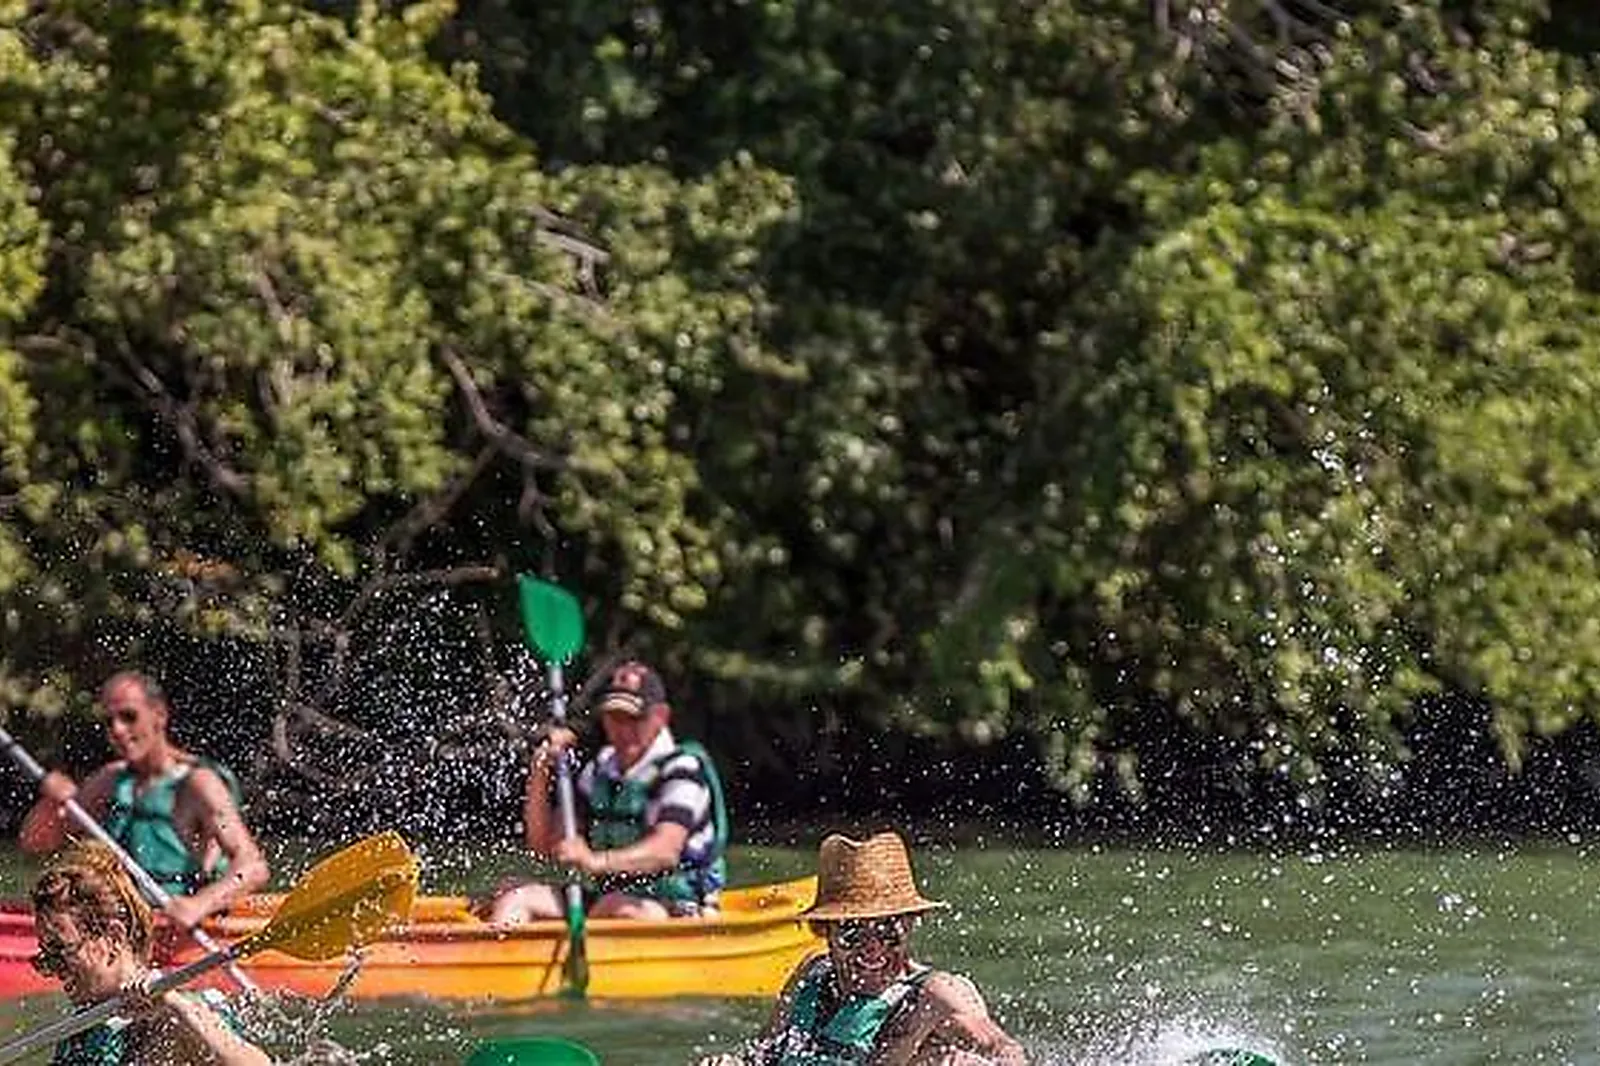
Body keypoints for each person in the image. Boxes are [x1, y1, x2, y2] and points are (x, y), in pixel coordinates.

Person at [698, 831, 1029, 1066]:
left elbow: (1003, 1048)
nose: (872, 949)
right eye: (852, 932)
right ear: (825, 931)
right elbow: (763, 1052)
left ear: (911, 923)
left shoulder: (935, 996)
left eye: (887, 930)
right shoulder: (812, 973)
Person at [20, 672, 270, 934]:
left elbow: (254, 866)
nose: (118, 729)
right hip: (118, 932)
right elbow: (36, 843)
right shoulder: (108, 780)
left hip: (179, 933)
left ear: (159, 716)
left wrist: (200, 904)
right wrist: (52, 803)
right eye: (109, 721)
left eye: (129, 716)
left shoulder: (198, 784)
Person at [484, 660, 730, 922]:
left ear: (661, 717)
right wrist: (540, 771)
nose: (622, 729)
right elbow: (543, 845)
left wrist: (594, 862)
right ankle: (505, 960)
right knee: (516, 895)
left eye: (633, 718)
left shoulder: (682, 769)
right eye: (614, 717)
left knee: (618, 907)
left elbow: (665, 852)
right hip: (609, 902)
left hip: (677, 906)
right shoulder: (599, 771)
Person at [30, 840, 273, 1065]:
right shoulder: (78, 1033)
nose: (53, 969)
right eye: (45, 957)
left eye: (61, 950)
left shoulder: (187, 1013)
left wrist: (173, 1005)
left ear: (113, 937)